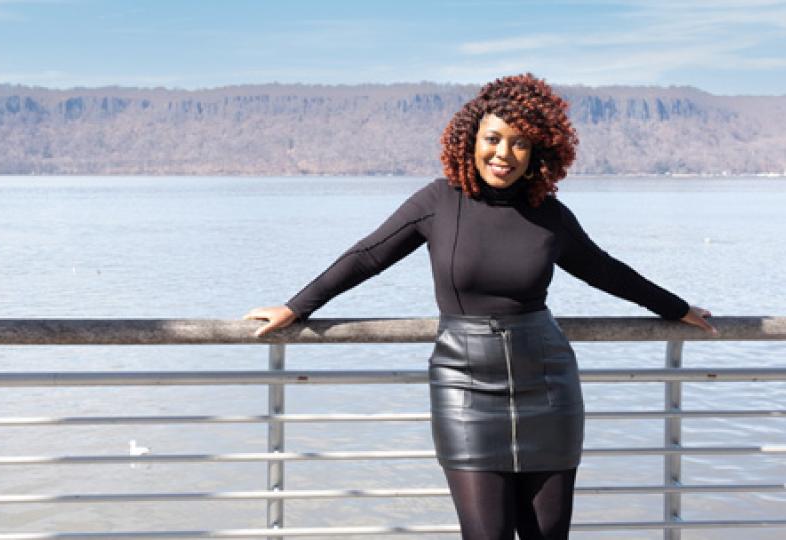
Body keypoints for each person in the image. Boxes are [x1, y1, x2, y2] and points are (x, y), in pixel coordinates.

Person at [246, 73, 716, 540]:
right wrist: (296, 307)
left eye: (519, 144)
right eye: (493, 139)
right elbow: (368, 255)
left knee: (547, 535)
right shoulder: (437, 202)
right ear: (471, 140)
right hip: (463, 384)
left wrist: (676, 308)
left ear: (537, 153)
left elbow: (607, 271)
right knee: (485, 534)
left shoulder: (549, 214)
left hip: (547, 384)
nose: (504, 154)